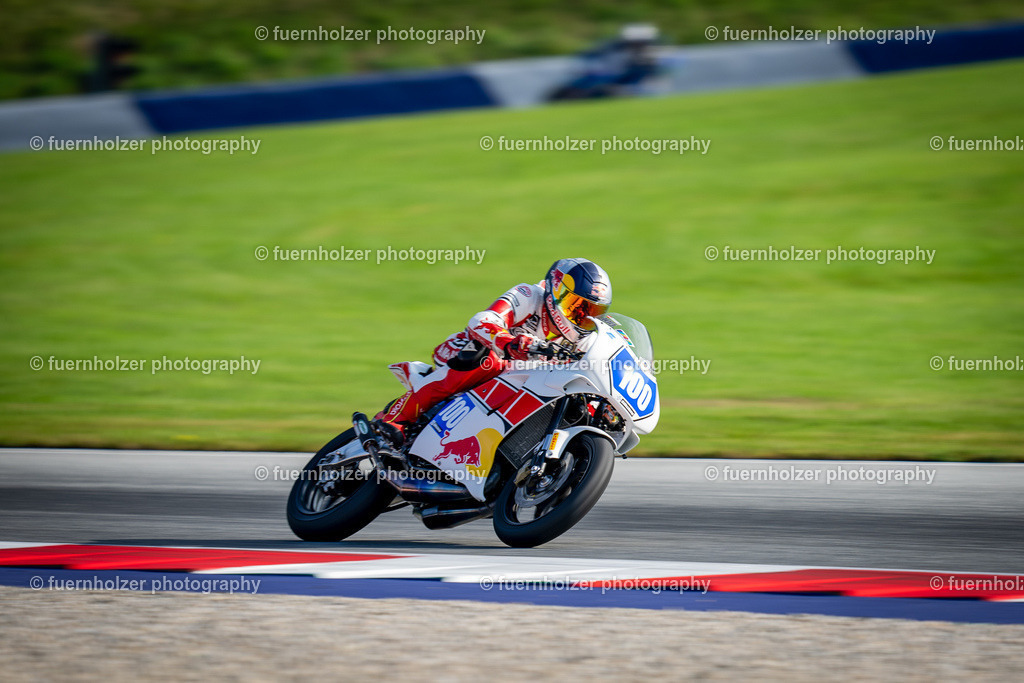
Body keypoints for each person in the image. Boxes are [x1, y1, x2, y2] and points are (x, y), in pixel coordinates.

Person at [373, 258, 612, 446]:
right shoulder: (529, 296)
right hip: (467, 352)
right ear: (557, 291)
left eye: (591, 312)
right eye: (577, 307)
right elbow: (482, 320)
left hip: (516, 386)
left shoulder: (584, 339)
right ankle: (395, 418)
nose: (582, 317)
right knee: (489, 360)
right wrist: (509, 342)